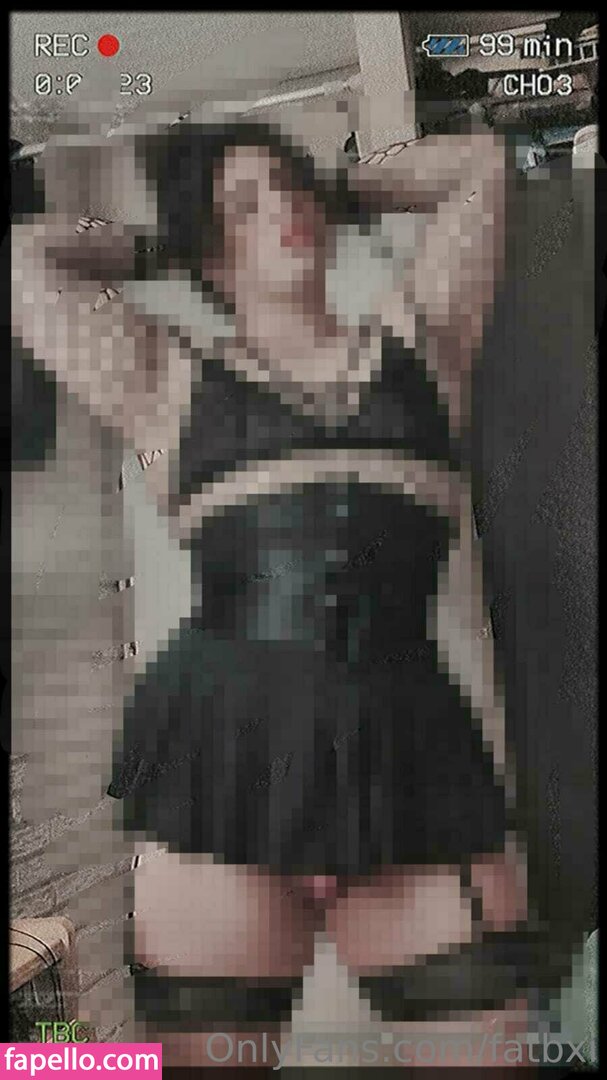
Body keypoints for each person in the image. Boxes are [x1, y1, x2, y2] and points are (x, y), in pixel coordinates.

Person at [14, 119, 549, 1067]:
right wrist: (164, 245)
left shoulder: (422, 343)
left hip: (411, 760)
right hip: (220, 764)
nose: (279, 209)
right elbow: (26, 256)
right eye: (243, 204)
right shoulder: (164, 380)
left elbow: (476, 165)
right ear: (210, 249)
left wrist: (327, 192)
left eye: (286, 187)